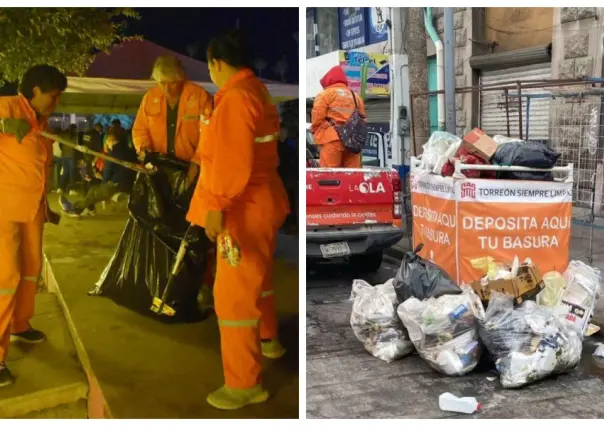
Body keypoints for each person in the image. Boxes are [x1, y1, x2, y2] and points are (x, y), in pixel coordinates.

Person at [186, 29, 289, 410]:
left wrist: (215, 207)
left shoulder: (235, 100)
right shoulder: (255, 92)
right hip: (261, 201)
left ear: (216, 62)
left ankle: (245, 383)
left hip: (241, 208)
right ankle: (268, 340)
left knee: (231, 298)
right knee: (257, 280)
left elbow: (231, 163)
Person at [0, 64, 67, 386]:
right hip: (4, 209)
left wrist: (47, 205)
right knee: (4, 278)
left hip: (33, 209)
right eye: (53, 97)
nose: (56, 103)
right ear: (36, 90)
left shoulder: (43, 124)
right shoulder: (7, 106)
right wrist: (1, 123)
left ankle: (19, 324)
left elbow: (41, 168)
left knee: (31, 267)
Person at [132, 55, 215, 308]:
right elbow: (139, 130)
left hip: (191, 173)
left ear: (182, 79)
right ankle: (160, 280)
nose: (167, 88)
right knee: (158, 225)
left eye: (172, 83)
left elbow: (209, 135)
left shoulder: (199, 96)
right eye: (162, 83)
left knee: (192, 232)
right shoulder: (150, 98)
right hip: (160, 173)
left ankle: (197, 285)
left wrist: (198, 163)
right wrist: (144, 151)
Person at [59, 129, 137, 217]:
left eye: (107, 141)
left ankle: (74, 209)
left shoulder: (114, 153)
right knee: (93, 189)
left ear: (111, 139)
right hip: (128, 184)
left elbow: (108, 170)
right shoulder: (130, 151)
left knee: (93, 192)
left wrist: (103, 183)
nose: (107, 143)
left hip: (117, 185)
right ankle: (88, 209)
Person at [310, 65, 366, 168]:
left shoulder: (325, 95)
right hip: (352, 142)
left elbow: (317, 119)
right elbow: (362, 119)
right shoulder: (356, 97)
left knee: (330, 178)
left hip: (332, 139)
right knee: (351, 176)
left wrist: (316, 137)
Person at [57, 123, 78, 194]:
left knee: (65, 172)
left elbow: (60, 145)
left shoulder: (64, 135)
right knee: (72, 173)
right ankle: (71, 190)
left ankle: (60, 188)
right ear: (75, 129)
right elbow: (76, 147)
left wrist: (64, 150)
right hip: (71, 155)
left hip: (64, 155)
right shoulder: (75, 136)